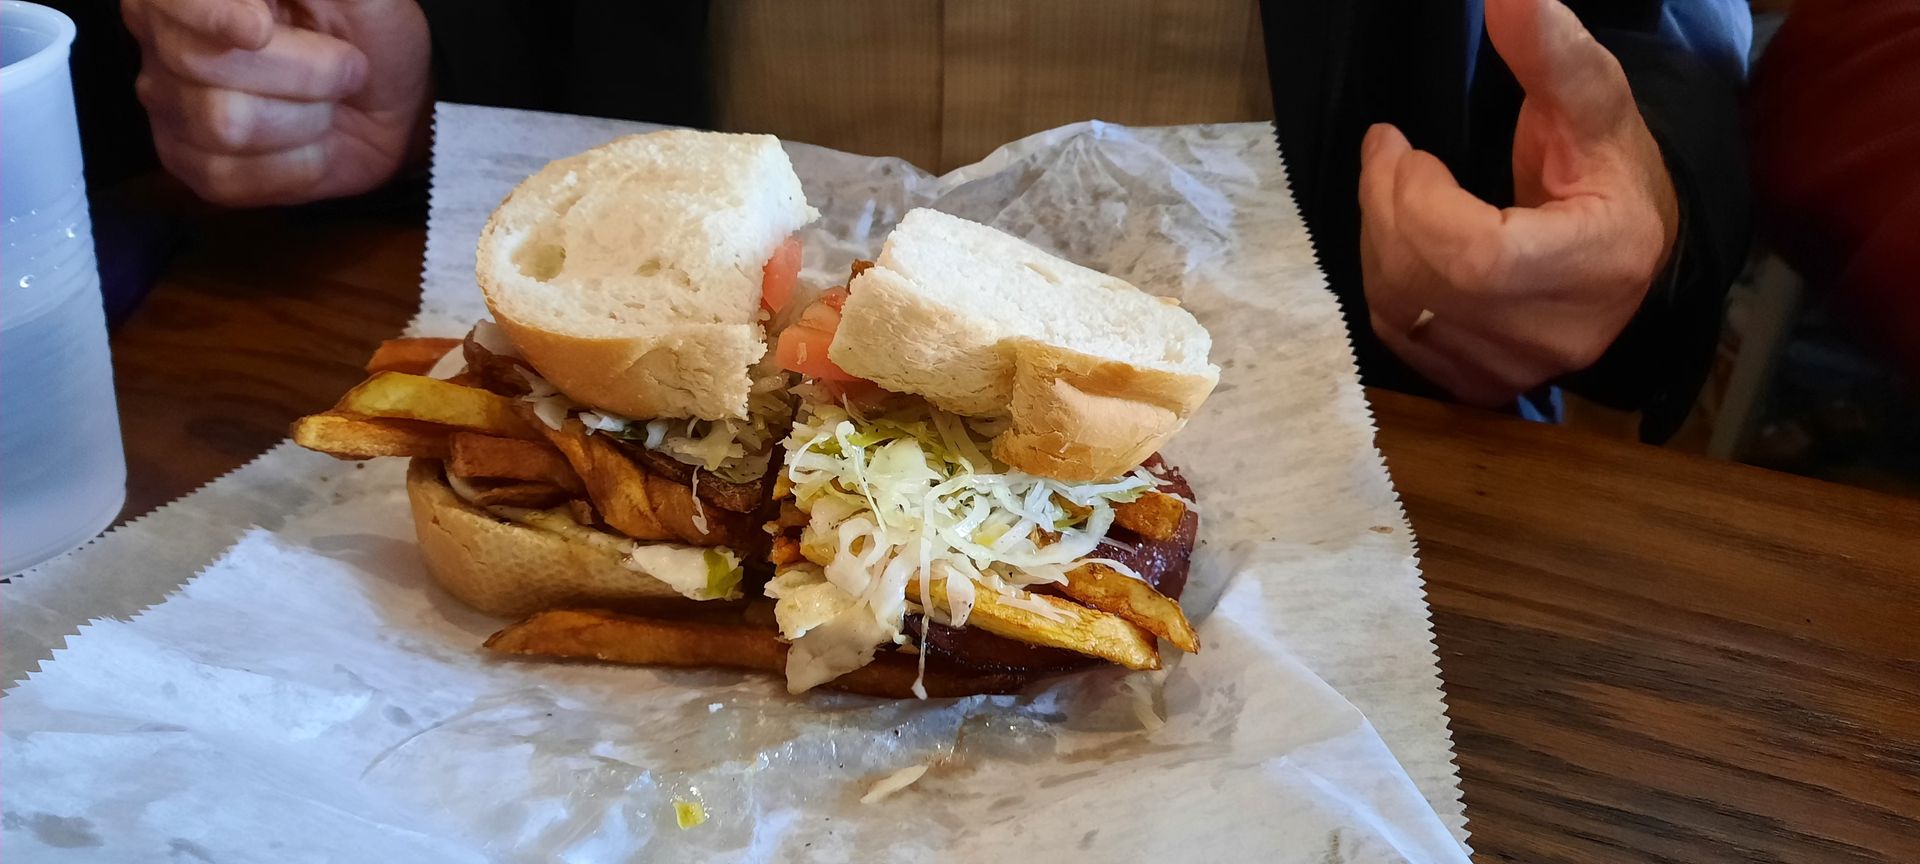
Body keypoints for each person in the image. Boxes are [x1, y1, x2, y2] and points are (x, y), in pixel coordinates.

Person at [118, 0, 1751, 442]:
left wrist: (1640, 220)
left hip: (1348, 464)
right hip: (643, 430)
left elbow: (1666, 51)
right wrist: (401, 71)